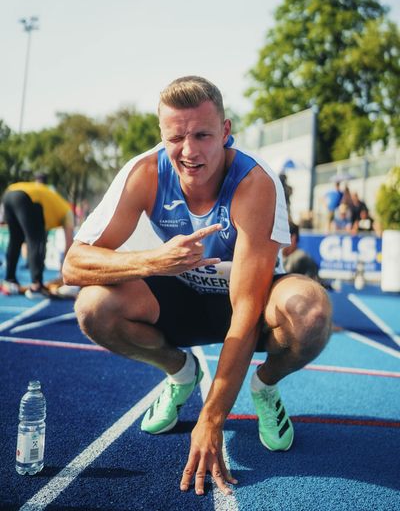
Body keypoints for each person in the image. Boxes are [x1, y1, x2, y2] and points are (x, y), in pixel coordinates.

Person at [63, 76, 332, 497]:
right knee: (93, 307)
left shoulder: (254, 183)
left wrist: (212, 418)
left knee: (310, 311)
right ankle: (179, 371)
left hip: (248, 302)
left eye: (202, 135)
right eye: (176, 137)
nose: (189, 151)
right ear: (161, 136)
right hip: (178, 296)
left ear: (225, 132)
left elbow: (244, 310)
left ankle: (266, 385)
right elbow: (74, 264)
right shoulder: (144, 173)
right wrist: (155, 260)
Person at [2, 173, 74, 298]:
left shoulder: (53, 206)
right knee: (36, 241)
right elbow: (69, 245)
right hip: (28, 198)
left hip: (9, 193)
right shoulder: (67, 212)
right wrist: (65, 270)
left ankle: (10, 280)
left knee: (16, 239)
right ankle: (37, 286)